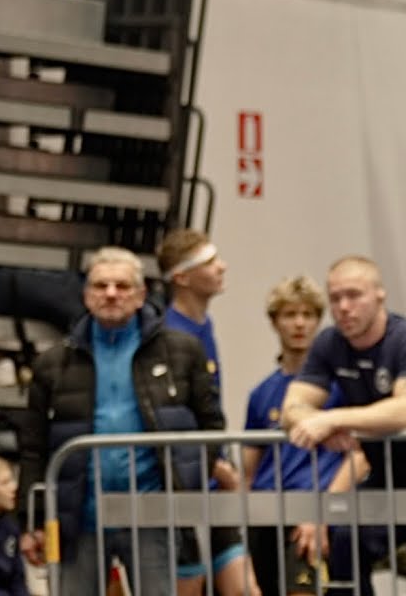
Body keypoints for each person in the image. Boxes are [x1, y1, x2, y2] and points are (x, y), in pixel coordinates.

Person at [16, 247, 225, 595]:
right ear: (86, 295)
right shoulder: (52, 364)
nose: (111, 294)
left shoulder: (183, 351)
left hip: (153, 515)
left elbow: (212, 426)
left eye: (122, 286)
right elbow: (32, 448)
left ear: (141, 295)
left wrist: (186, 481)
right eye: (101, 285)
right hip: (78, 519)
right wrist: (31, 520)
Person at [281, 256, 406, 595]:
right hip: (386, 478)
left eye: (354, 295)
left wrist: (332, 420)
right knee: (345, 539)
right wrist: (321, 425)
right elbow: (292, 408)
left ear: (380, 295)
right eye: (335, 298)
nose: (343, 307)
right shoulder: (330, 343)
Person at [243, 275, 368, 596]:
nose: (299, 323)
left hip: (315, 508)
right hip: (267, 513)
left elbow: (362, 455)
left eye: (308, 314)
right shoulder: (261, 393)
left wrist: (323, 510)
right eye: (290, 314)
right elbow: (249, 468)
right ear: (275, 321)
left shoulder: (341, 387)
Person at [156, 229, 259, 596]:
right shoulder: (167, 336)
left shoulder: (205, 326)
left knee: (243, 588)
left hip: (214, 484)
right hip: (184, 486)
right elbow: (170, 416)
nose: (222, 267)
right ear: (182, 277)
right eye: (210, 262)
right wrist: (215, 465)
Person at [0, 454, 28, 596]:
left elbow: (17, 579)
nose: (14, 487)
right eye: (5, 483)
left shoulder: (11, 529)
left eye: (12, 480)